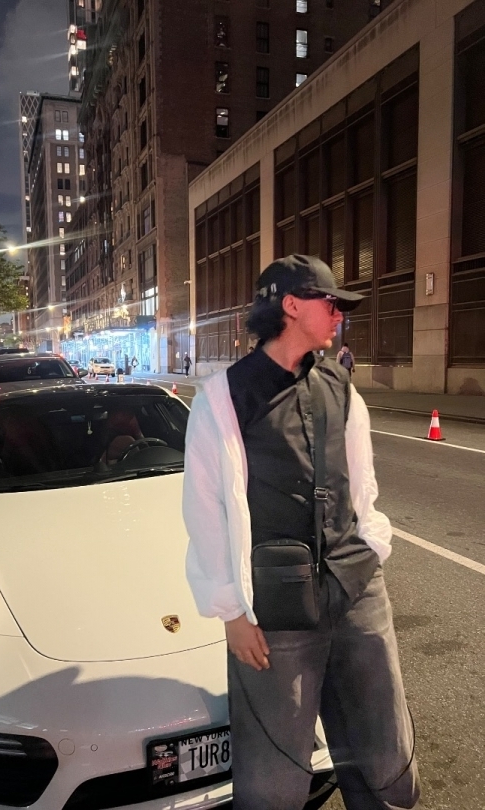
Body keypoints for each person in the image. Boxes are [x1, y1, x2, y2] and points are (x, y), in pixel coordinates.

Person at [182, 254, 420, 810]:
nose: (339, 314)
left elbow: (362, 486)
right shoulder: (223, 398)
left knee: (383, 746)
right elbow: (205, 509)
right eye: (330, 302)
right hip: (275, 609)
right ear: (291, 306)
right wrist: (231, 613)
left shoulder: (341, 387)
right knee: (274, 768)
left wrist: (371, 549)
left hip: (356, 591)